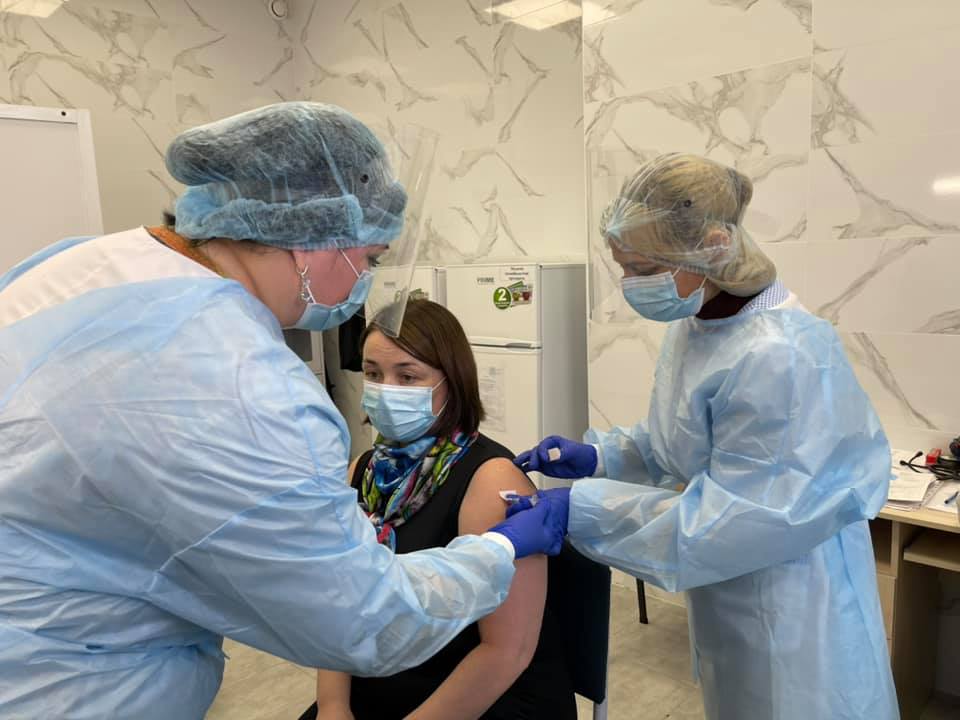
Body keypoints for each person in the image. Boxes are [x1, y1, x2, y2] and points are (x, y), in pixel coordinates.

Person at [0, 102, 565, 720]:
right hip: (69, 686)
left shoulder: (77, 267)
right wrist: (497, 551)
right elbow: (362, 622)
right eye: (370, 258)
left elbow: (504, 651)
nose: (363, 282)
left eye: (409, 375)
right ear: (312, 241)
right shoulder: (245, 384)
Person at [514, 154, 899, 720]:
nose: (631, 284)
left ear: (714, 246)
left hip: (794, 608)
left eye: (644, 267)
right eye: (623, 267)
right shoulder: (700, 324)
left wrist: (583, 511)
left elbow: (738, 519)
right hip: (732, 593)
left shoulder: (781, 355)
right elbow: (681, 441)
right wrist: (599, 457)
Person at [300, 299, 576, 720]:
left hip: (486, 691)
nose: (386, 390)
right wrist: (333, 704)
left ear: (453, 382)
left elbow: (507, 651)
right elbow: (341, 601)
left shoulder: (491, 480)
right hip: (391, 669)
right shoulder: (363, 471)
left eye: (408, 376)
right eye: (373, 374)